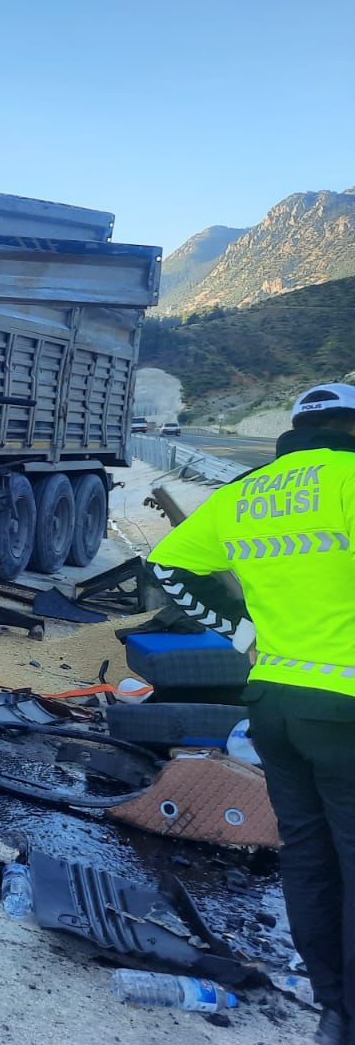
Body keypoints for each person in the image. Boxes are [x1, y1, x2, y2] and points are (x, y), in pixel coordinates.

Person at [148, 382, 355, 1045]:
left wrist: (240, 631)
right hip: (347, 709)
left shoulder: (250, 491)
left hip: (273, 705)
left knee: (309, 855)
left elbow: (169, 564)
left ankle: (333, 1009)